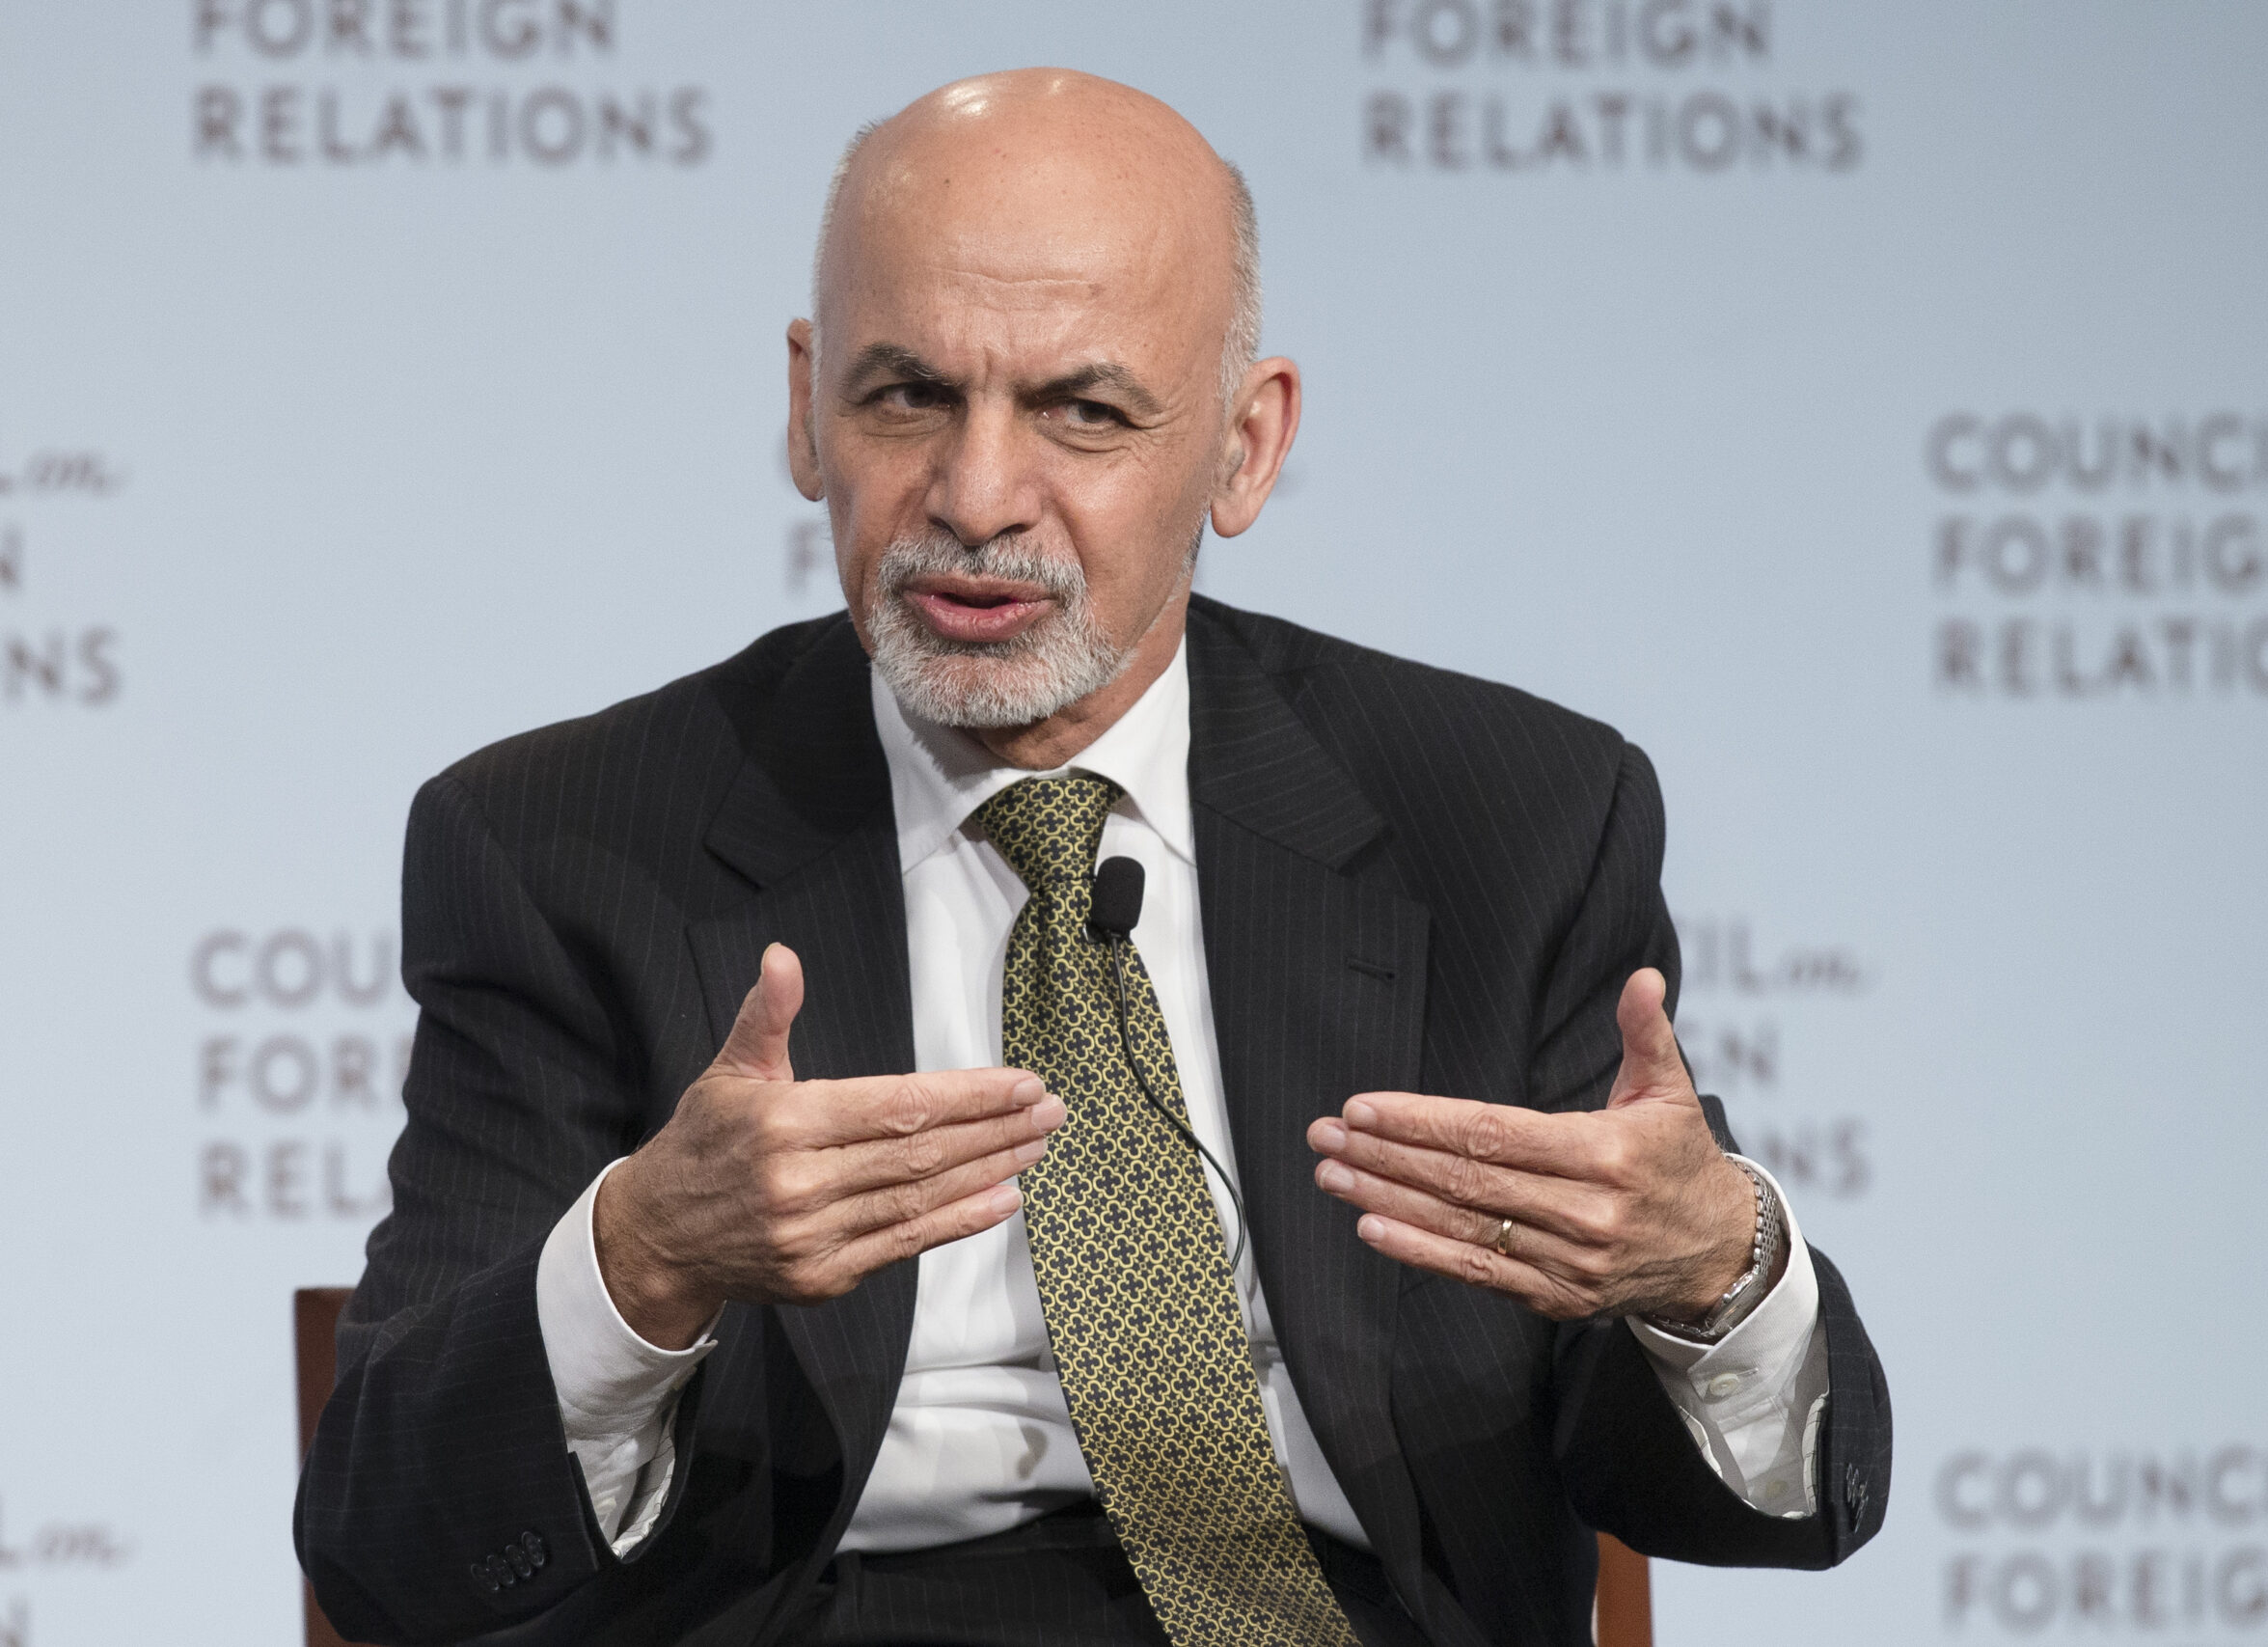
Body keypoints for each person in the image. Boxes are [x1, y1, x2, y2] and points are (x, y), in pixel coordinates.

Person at [296, 68, 1888, 1647]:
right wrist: (643, 1259)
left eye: (1084, 412)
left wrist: (1711, 1273)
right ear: (804, 407)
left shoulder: (1511, 819)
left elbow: (1732, 1500)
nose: (978, 499)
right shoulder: (567, 847)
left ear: (1245, 446)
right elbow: (385, 1545)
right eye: (906, 396)